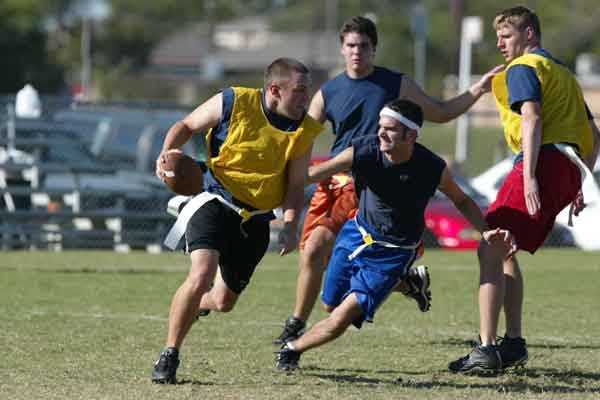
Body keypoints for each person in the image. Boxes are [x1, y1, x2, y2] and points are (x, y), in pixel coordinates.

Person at [274, 15, 504, 344]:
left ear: (374, 49)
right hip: (336, 181)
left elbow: (440, 112)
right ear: (342, 49)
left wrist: (477, 90)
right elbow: (302, 141)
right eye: (351, 45)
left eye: (363, 46)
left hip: (372, 183)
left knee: (319, 247)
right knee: (313, 255)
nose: (357, 51)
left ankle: (297, 326)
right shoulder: (328, 92)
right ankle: (400, 284)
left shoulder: (396, 84)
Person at [275, 99, 515, 371]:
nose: (381, 133)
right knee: (330, 305)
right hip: (356, 235)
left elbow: (461, 200)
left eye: (390, 129)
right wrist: (276, 168)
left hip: (393, 254)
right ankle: (409, 284)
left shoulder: (431, 167)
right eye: (380, 126)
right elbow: (311, 175)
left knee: (340, 318)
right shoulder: (364, 151)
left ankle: (291, 349)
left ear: (410, 135)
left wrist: (486, 231)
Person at [151, 57, 323, 384]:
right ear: (275, 90)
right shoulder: (235, 101)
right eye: (300, 90)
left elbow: (295, 185)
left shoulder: (304, 129)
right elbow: (186, 126)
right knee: (201, 274)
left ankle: (198, 303)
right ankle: (169, 355)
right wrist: (166, 154)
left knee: (223, 301)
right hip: (215, 201)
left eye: (307, 90)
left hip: (255, 220)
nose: (306, 97)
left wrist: (290, 225)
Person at [449, 6, 600, 374]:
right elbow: (593, 134)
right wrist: (580, 179)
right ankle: (513, 343)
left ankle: (487, 348)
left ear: (529, 34)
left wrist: (529, 175)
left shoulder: (523, 67)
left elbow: (531, 117)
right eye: (498, 37)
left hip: (541, 161)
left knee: (490, 245)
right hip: (567, 166)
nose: (500, 43)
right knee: (505, 250)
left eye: (507, 35)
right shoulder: (562, 72)